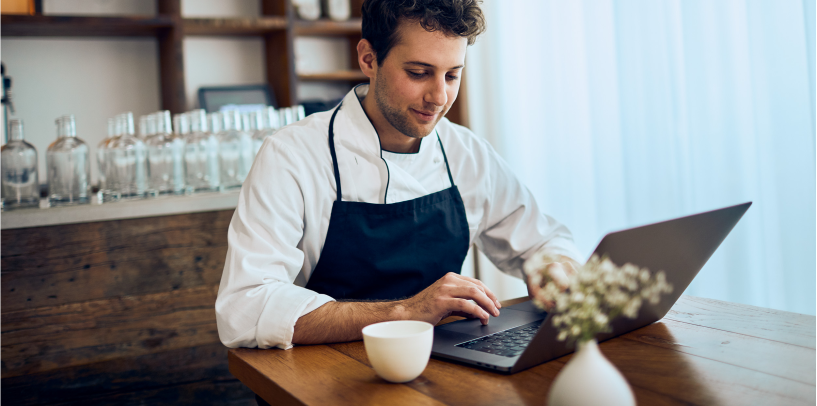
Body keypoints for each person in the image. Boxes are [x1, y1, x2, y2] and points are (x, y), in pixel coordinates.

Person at [215, 0, 581, 349]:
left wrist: (554, 270)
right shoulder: (292, 156)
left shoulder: (466, 152)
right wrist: (406, 312)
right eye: (418, 73)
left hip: (440, 367)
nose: (439, 97)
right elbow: (244, 308)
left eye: (452, 75)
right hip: (322, 376)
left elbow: (543, 242)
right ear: (368, 59)